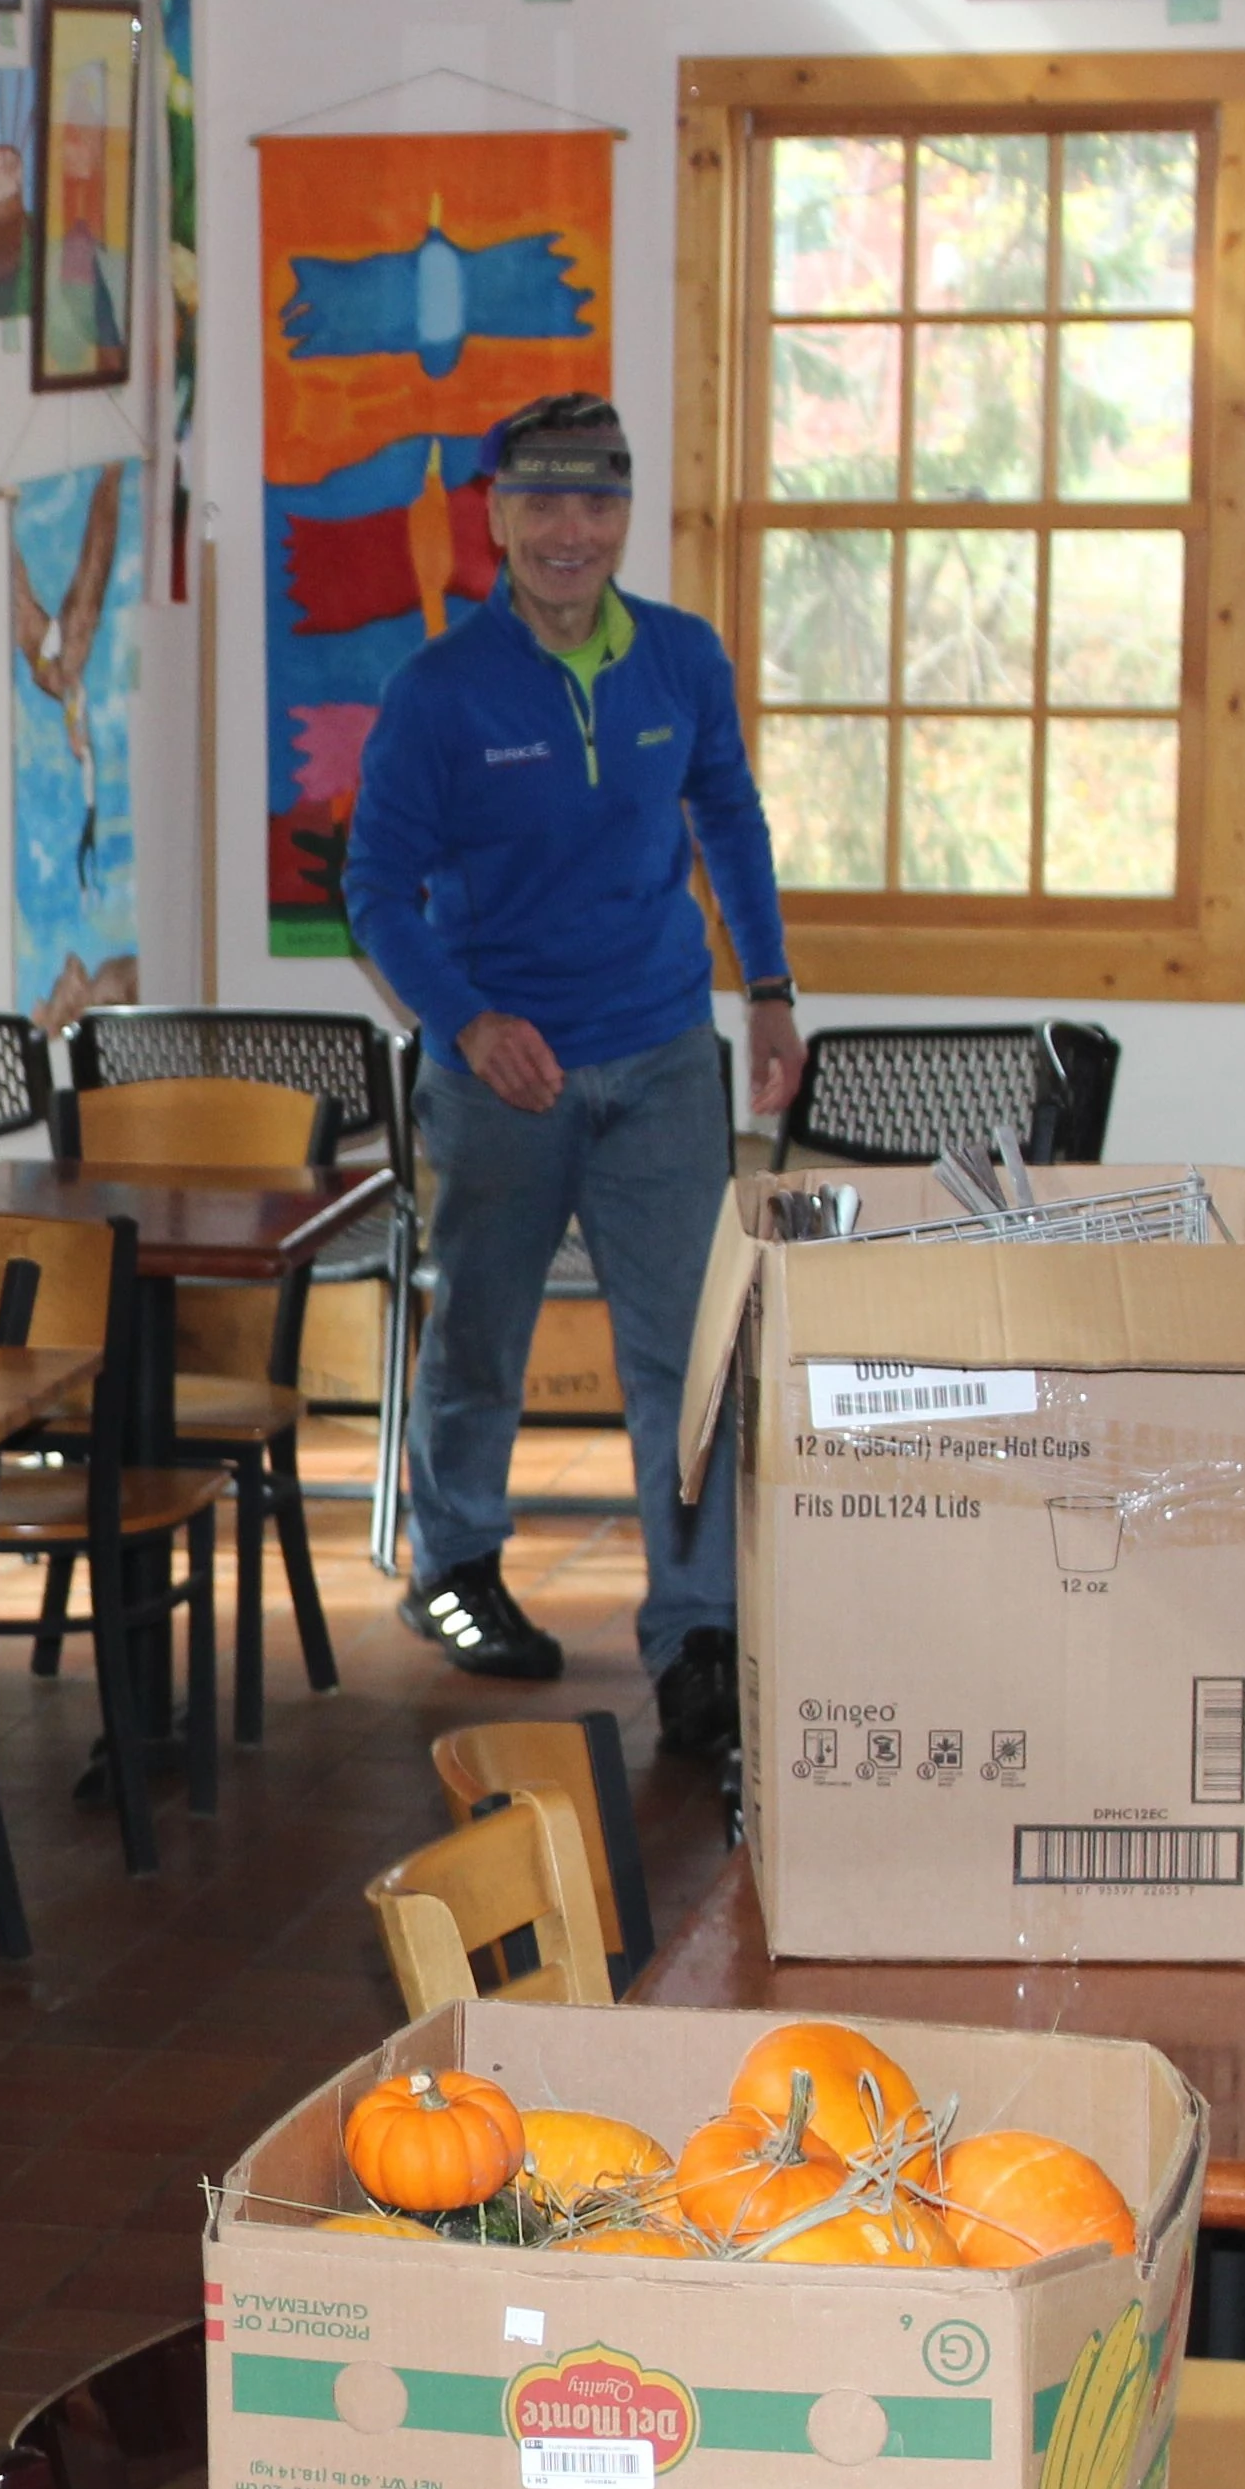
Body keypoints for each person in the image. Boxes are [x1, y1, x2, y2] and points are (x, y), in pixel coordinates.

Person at [338, 394, 799, 1763]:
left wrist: (766, 989)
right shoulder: (439, 693)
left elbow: (730, 818)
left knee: (687, 1355)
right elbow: (375, 891)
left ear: (623, 514)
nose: (568, 530)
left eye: (596, 501)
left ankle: (698, 1628)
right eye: (541, 502)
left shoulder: (681, 661)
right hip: (502, 1079)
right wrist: (467, 1022)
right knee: (479, 1334)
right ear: (495, 513)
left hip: (661, 1058)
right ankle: (457, 1567)